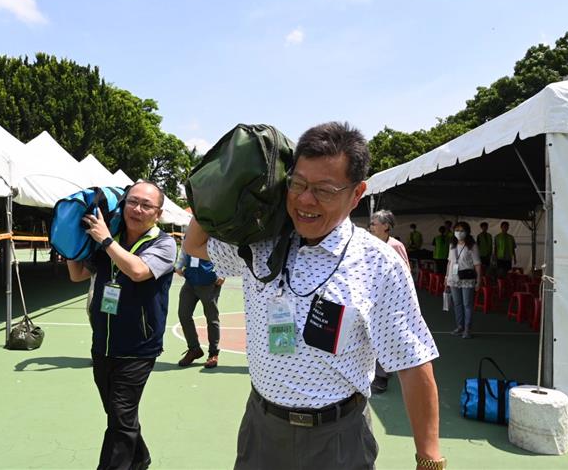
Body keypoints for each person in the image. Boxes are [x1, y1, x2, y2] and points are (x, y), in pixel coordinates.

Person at [184, 122, 443, 470]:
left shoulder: (378, 264)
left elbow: (413, 363)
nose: (305, 200)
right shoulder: (262, 243)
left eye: (324, 190)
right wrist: (222, 183)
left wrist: (429, 460)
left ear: (357, 194)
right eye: (298, 184)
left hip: (338, 438)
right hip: (262, 429)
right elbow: (194, 244)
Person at [66, 181, 177, 470]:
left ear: (158, 213)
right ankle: (140, 457)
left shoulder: (163, 243)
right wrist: (70, 241)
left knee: (119, 417)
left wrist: (105, 241)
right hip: (102, 342)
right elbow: (77, 274)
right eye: (132, 202)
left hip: (139, 348)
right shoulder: (108, 238)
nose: (137, 209)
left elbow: (139, 270)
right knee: (117, 415)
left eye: (146, 205)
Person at [368, 209, 410, 395]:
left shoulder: (396, 246)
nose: (371, 226)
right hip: (371, 299)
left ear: (386, 226)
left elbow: (405, 274)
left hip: (389, 300)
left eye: (374, 223)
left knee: (384, 336)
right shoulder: (369, 244)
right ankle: (380, 370)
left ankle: (382, 377)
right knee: (372, 336)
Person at [175, 247, 225, 368]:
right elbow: (185, 249)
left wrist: (222, 274)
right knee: (184, 314)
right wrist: (179, 265)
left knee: (211, 318)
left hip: (209, 281)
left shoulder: (214, 232)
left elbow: (223, 253)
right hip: (190, 281)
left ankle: (213, 353)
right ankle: (194, 349)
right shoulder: (190, 231)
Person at [445, 221, 482, 339]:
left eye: (461, 230)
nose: (459, 233)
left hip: (467, 278)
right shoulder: (452, 245)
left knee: (467, 304)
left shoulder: (472, 245)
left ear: (467, 232)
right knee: (457, 303)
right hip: (453, 278)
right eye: (457, 230)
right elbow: (449, 262)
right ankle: (459, 326)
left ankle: (467, 329)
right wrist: (446, 277)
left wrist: (479, 280)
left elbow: (477, 264)